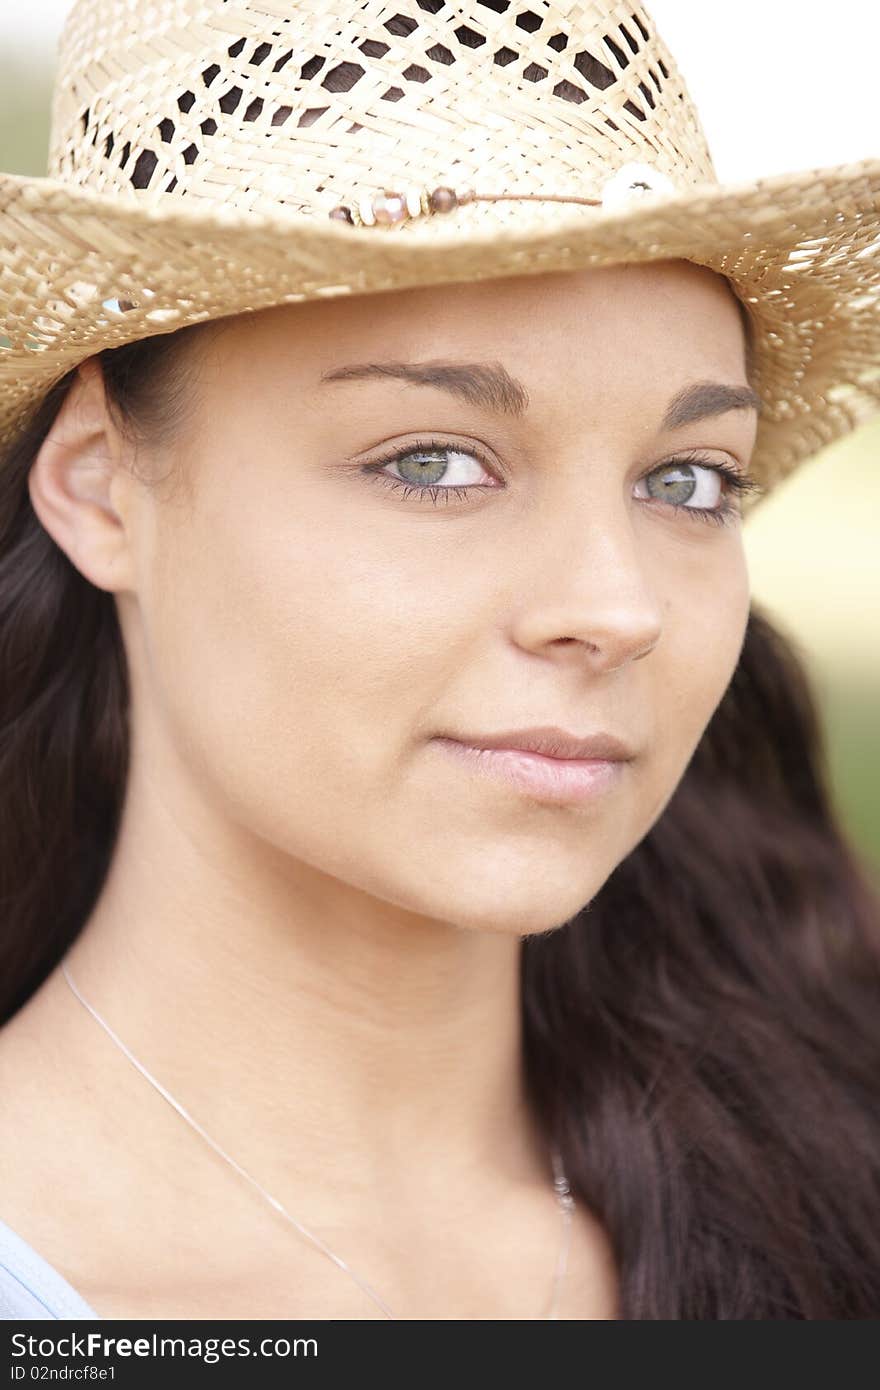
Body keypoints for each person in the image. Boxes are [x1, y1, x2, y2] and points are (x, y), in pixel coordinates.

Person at [0, 0, 878, 1321]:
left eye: (688, 480)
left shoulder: (827, 1184)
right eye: (432, 461)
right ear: (101, 489)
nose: (617, 603)